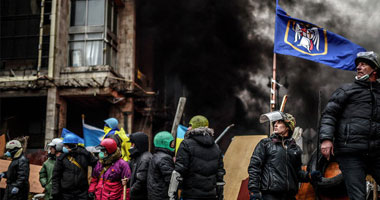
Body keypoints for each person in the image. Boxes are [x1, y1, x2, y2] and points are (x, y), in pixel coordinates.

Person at [319, 51, 380, 200]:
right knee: (357, 197)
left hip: (376, 152)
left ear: (374, 70)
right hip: (351, 153)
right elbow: (329, 115)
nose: (358, 67)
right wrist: (326, 139)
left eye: (363, 64)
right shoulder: (346, 90)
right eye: (357, 64)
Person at [248, 112, 313, 200]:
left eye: (279, 122)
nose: (275, 124)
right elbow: (254, 167)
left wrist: (309, 176)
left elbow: (296, 173)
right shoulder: (265, 144)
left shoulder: (295, 149)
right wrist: (254, 191)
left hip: (289, 196)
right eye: (275, 122)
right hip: (270, 196)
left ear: (288, 127)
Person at [168, 115, 225, 200]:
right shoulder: (216, 147)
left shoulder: (186, 144)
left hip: (190, 195)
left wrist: (171, 196)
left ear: (196, 127)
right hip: (211, 196)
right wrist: (220, 195)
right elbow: (220, 174)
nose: (187, 128)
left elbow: (178, 172)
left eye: (190, 126)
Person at [51, 134, 98, 200]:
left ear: (71, 145)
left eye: (65, 145)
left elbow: (97, 165)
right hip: (65, 194)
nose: (64, 147)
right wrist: (55, 192)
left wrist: (92, 188)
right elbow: (56, 176)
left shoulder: (84, 155)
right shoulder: (61, 158)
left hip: (82, 193)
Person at [147, 131, 175, 200]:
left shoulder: (156, 155)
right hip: (162, 196)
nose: (173, 144)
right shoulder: (164, 158)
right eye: (171, 143)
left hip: (155, 194)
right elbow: (171, 180)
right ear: (165, 143)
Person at [129, 132, 152, 200]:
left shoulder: (145, 158)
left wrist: (131, 191)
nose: (131, 146)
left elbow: (141, 180)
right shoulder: (137, 156)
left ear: (138, 144)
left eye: (132, 144)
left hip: (141, 196)